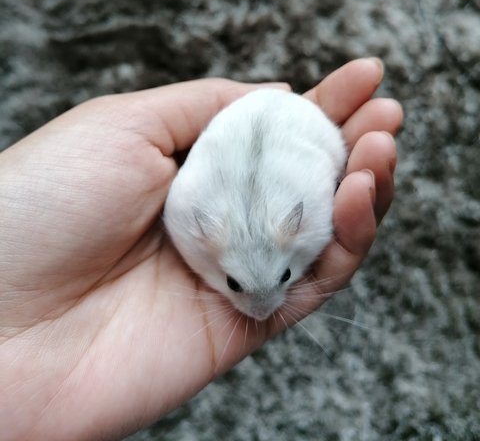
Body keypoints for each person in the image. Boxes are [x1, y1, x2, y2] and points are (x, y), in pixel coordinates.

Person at [0, 58, 402, 441]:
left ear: (294, 233)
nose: (263, 310)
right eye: (234, 284)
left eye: (283, 277)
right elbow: (180, 212)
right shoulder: (193, 224)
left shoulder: (304, 219)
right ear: (211, 247)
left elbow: (322, 172)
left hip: (297, 126)